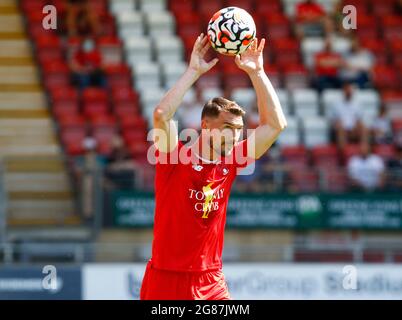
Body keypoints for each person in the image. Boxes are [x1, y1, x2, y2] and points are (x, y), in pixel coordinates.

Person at [140, 34, 287, 300]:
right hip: (165, 279)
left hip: (210, 281)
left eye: (240, 130)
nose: (235, 136)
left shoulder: (231, 162)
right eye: (228, 128)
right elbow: (162, 115)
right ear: (205, 126)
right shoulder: (174, 159)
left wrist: (258, 73)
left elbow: (275, 126)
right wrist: (193, 71)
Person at [329, 82, 368, 149]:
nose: (349, 92)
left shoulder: (357, 104)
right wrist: (340, 126)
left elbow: (359, 120)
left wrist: (356, 127)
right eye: (347, 90)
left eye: (350, 90)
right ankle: (343, 153)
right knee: (340, 130)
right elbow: (333, 120)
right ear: (344, 91)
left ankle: (363, 152)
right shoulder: (336, 104)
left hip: (354, 128)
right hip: (341, 129)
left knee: (364, 129)